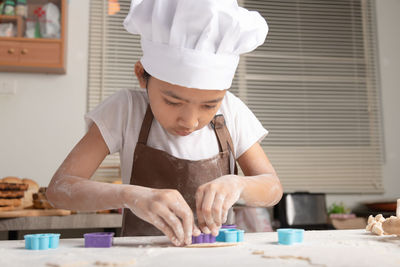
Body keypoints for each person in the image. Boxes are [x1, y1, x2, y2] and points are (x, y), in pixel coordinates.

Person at [46, 0, 283, 247]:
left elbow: (272, 188)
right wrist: (130, 195)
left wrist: (239, 184)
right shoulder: (126, 109)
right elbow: (60, 188)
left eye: (209, 105)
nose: (190, 121)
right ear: (141, 75)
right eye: (172, 101)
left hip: (216, 257)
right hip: (140, 257)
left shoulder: (232, 111)